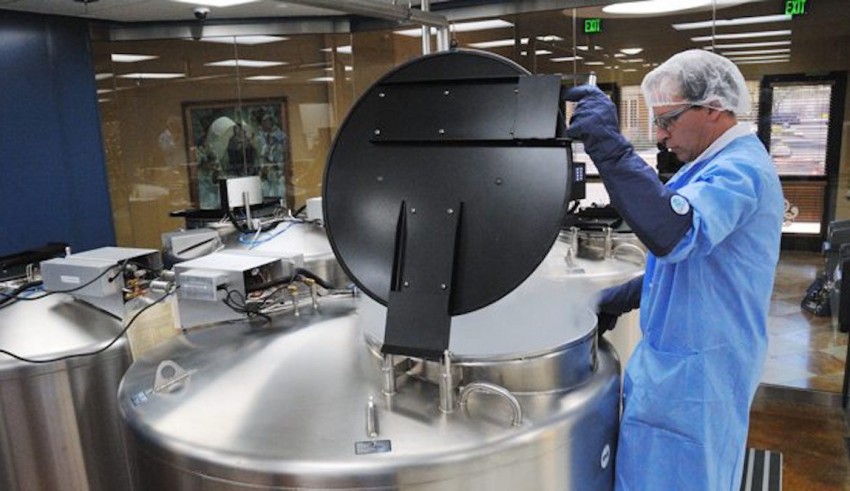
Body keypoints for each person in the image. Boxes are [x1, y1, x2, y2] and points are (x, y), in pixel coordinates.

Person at [564, 49, 784, 490]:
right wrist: (628, 294)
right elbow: (698, 265)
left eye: (668, 120)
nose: (661, 136)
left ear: (713, 108)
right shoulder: (707, 165)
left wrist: (609, 146)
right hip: (676, 368)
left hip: (700, 380)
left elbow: (675, 233)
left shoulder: (741, 171)